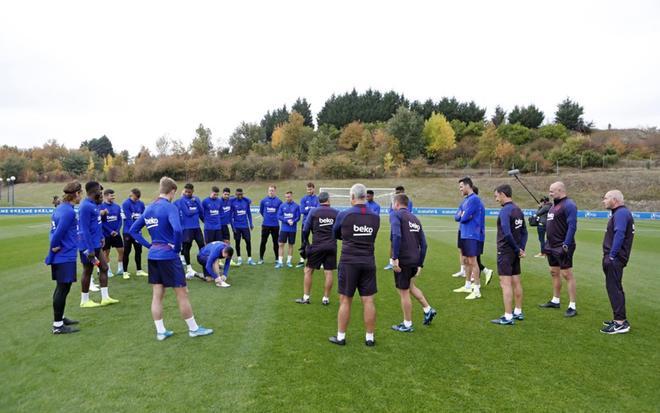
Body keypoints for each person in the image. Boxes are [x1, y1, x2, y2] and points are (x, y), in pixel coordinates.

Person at [129, 176, 213, 341]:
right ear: (172, 191)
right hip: (168, 256)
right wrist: (176, 248)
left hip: (153, 256)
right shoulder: (169, 207)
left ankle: (160, 331)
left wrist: (149, 246)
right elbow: (178, 230)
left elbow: (133, 231)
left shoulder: (149, 208)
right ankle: (193, 329)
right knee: (182, 293)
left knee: (157, 294)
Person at [329, 183, 380, 347]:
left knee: (345, 300)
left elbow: (335, 233)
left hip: (349, 262)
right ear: (365, 196)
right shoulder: (375, 216)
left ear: (352, 197)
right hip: (368, 261)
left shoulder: (344, 214)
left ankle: (341, 337)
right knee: (368, 300)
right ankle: (369, 338)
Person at [390, 194, 437, 332]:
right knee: (410, 286)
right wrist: (420, 264)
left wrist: (395, 257)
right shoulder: (415, 218)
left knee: (403, 291)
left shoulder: (396, 215)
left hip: (403, 260)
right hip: (414, 260)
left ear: (396, 204)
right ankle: (428, 309)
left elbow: (396, 235)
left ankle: (407, 324)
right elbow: (424, 245)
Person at [45, 181, 82, 334]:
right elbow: (57, 233)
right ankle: (58, 326)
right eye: (81, 193)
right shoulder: (68, 212)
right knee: (62, 288)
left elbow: (51, 231)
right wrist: (52, 249)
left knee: (62, 288)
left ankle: (60, 317)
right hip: (65, 255)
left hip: (63, 254)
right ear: (77, 194)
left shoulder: (60, 208)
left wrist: (53, 245)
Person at [539, 181, 579, 317]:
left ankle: (572, 305)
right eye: (550, 191)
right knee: (554, 272)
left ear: (561, 190)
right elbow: (551, 227)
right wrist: (546, 244)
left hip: (562, 246)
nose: (550, 193)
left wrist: (566, 245)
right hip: (551, 246)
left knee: (567, 274)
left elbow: (572, 226)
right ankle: (555, 300)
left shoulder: (569, 205)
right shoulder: (552, 207)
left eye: (552, 191)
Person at [491, 184, 528, 325]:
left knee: (505, 284)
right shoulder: (518, 210)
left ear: (502, 194)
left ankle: (507, 316)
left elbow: (507, 233)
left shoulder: (505, 211)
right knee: (516, 282)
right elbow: (524, 231)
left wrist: (517, 249)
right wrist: (520, 248)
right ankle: (518, 311)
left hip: (506, 251)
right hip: (514, 252)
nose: (496, 199)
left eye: (496, 196)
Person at [78, 181, 119, 308]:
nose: (101, 193)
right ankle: (84, 300)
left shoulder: (95, 205)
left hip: (96, 244)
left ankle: (105, 298)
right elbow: (84, 229)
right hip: (87, 246)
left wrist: (101, 237)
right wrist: (90, 249)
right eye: (99, 191)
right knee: (88, 270)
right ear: (93, 191)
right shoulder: (85, 206)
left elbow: (97, 223)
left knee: (104, 268)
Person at [601, 190, 635, 334]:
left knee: (614, 288)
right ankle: (619, 319)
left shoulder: (621, 213)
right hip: (616, 258)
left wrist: (612, 256)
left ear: (614, 200)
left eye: (606, 198)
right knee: (615, 287)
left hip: (615, 258)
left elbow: (620, 234)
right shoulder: (621, 213)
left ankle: (620, 323)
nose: (604, 201)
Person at [295, 192, 338, 305]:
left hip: (317, 245)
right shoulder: (336, 212)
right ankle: (326, 299)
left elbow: (305, 229)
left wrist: (306, 243)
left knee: (308, 270)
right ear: (328, 200)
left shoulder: (314, 211)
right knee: (328, 272)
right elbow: (340, 230)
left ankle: (306, 298)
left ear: (319, 201)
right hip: (331, 246)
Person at [453, 177, 485, 300]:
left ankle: (476, 289)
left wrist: (462, 215)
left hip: (472, 234)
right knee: (466, 260)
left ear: (468, 186)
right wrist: (462, 214)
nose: (460, 189)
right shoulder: (465, 201)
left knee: (473, 261)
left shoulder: (475, 200)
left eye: (461, 187)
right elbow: (457, 216)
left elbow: (464, 217)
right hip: (464, 234)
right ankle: (467, 285)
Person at [175, 183, 205, 278]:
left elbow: (201, 211)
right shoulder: (181, 200)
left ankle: (205, 265)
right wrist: (195, 209)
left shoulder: (196, 199)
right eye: (186, 191)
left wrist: (196, 204)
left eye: (189, 192)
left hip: (196, 227)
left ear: (193, 191)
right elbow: (187, 213)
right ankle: (189, 268)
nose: (187, 193)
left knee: (202, 246)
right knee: (187, 247)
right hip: (186, 228)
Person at [384, 186, 413, 270]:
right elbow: (391, 212)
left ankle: (404, 262)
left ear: (403, 192)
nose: (397, 194)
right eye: (396, 192)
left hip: (405, 225)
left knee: (405, 243)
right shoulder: (393, 201)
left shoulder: (408, 202)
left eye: (399, 192)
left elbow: (408, 212)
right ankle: (391, 263)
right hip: (395, 224)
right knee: (393, 242)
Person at [100, 188, 126, 279]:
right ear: (106, 196)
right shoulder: (101, 207)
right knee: (106, 253)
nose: (113, 197)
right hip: (106, 234)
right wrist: (110, 231)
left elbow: (119, 219)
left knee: (121, 251)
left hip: (116, 234)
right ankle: (108, 270)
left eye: (113, 195)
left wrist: (117, 231)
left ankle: (120, 269)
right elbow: (101, 223)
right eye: (111, 196)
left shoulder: (117, 206)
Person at [122, 188, 147, 277]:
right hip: (128, 232)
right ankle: (125, 272)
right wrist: (135, 229)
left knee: (138, 251)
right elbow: (129, 219)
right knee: (127, 251)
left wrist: (139, 229)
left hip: (137, 232)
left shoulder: (141, 204)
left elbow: (144, 217)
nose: (136, 200)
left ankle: (139, 270)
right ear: (131, 195)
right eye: (135, 198)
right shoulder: (126, 203)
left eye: (138, 198)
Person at [473, 186, 493, 286]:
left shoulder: (478, 204)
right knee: (475, 258)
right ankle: (478, 278)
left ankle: (485, 272)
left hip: (477, 235)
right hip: (477, 234)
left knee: (474, 258)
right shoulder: (478, 204)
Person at [297, 182, 320, 268]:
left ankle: (318, 260)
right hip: (305, 223)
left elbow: (318, 210)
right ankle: (302, 260)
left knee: (317, 241)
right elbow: (302, 210)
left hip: (315, 223)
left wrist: (308, 208)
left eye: (310, 189)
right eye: (307, 189)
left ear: (314, 189)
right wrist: (312, 208)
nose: (309, 191)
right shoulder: (303, 199)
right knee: (304, 241)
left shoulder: (317, 199)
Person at [275, 191, 301, 268]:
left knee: (290, 245)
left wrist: (293, 221)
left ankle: (288, 261)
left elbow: (298, 217)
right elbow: (279, 216)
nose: (287, 198)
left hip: (292, 229)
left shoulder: (296, 206)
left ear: (291, 196)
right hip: (284, 229)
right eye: (286, 197)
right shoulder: (282, 205)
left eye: (289, 197)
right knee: (281, 244)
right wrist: (286, 221)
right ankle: (280, 262)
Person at [231, 188, 255, 266]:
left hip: (245, 226)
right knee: (237, 242)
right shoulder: (233, 202)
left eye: (241, 194)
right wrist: (233, 227)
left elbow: (249, 214)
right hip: (237, 226)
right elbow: (231, 216)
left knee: (248, 241)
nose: (240, 196)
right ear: (236, 194)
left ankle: (250, 259)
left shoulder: (246, 201)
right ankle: (239, 258)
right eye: (238, 194)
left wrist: (251, 224)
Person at [258, 185, 282, 264]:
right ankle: (261, 258)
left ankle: (277, 258)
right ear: (268, 191)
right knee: (263, 242)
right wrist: (266, 218)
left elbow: (280, 212)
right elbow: (261, 211)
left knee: (275, 242)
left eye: (272, 190)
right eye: (270, 190)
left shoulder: (279, 201)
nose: (271, 192)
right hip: (266, 225)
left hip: (275, 225)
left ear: (275, 191)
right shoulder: (263, 200)